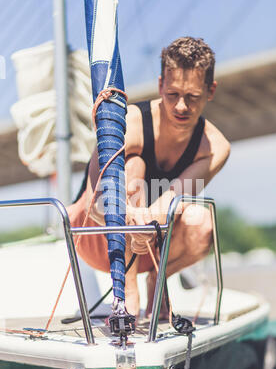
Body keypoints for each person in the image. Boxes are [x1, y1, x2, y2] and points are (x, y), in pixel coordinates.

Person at [67, 36, 230, 320]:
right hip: (94, 234)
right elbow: (96, 204)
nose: (181, 106)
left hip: (149, 245)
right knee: (135, 166)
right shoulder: (129, 122)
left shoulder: (214, 147)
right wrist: (130, 218)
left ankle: (157, 279)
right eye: (172, 94)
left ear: (210, 90)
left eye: (192, 97)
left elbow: (172, 200)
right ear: (160, 86)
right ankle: (128, 292)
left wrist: (149, 221)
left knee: (202, 223)